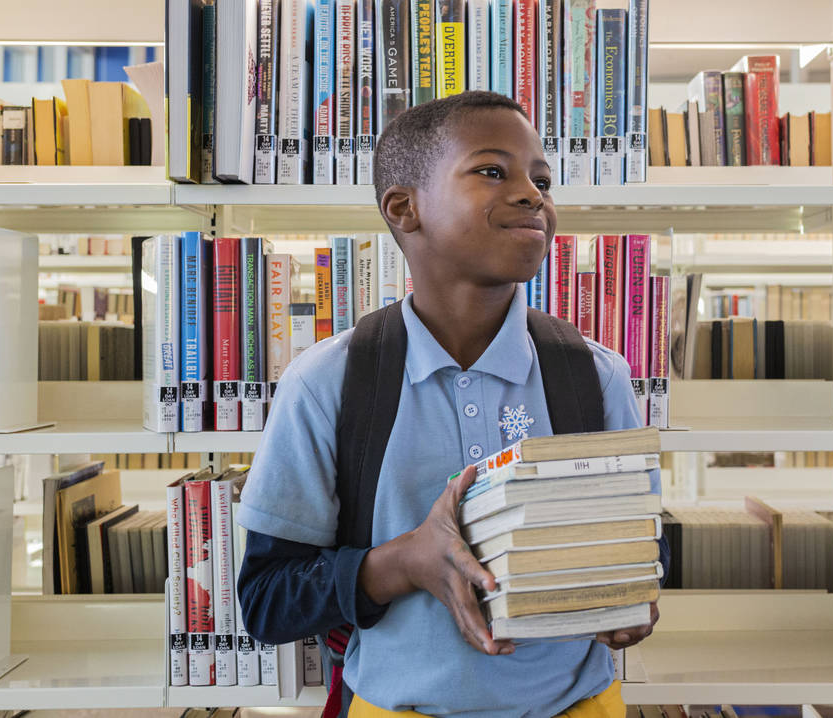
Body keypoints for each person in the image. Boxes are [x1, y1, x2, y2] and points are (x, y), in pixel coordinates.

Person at [237, 91, 660, 717]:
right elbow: (269, 601)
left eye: (542, 179)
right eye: (493, 171)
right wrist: (402, 563)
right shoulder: (327, 383)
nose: (531, 194)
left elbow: (645, 546)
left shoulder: (594, 376)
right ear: (405, 209)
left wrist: (631, 596)